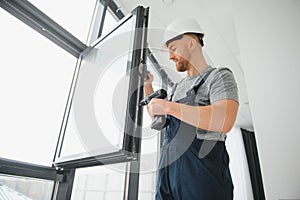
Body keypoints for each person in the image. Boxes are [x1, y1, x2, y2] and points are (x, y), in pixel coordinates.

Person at [143, 18, 239, 200]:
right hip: (169, 174)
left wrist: (168, 106)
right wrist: (147, 86)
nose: (170, 56)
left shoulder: (218, 77)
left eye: (173, 48)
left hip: (202, 177)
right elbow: (160, 120)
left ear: (191, 44)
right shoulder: (177, 88)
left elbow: (224, 120)